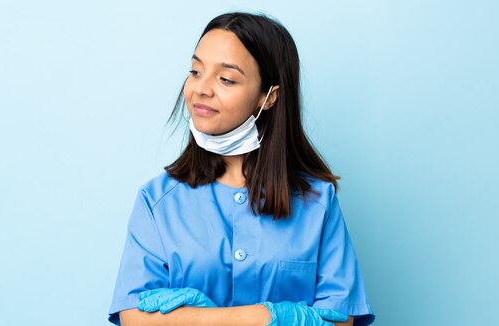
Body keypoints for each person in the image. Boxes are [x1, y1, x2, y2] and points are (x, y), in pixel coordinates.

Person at [107, 12, 375, 326]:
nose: (201, 89)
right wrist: (268, 316)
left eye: (226, 79)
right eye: (195, 71)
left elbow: (340, 319)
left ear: (269, 96)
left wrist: (196, 319)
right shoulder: (156, 202)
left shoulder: (317, 201)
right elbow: (135, 318)